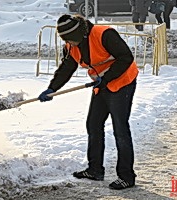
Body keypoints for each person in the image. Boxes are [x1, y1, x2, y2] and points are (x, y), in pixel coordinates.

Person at [38, 14, 139, 190]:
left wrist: (106, 78)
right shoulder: (72, 45)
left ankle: (126, 176)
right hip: (102, 84)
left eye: (71, 39)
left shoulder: (104, 34)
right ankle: (95, 169)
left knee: (120, 128)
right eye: (66, 40)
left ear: (79, 34)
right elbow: (67, 68)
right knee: (93, 124)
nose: (69, 43)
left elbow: (126, 57)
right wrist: (52, 88)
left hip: (122, 82)